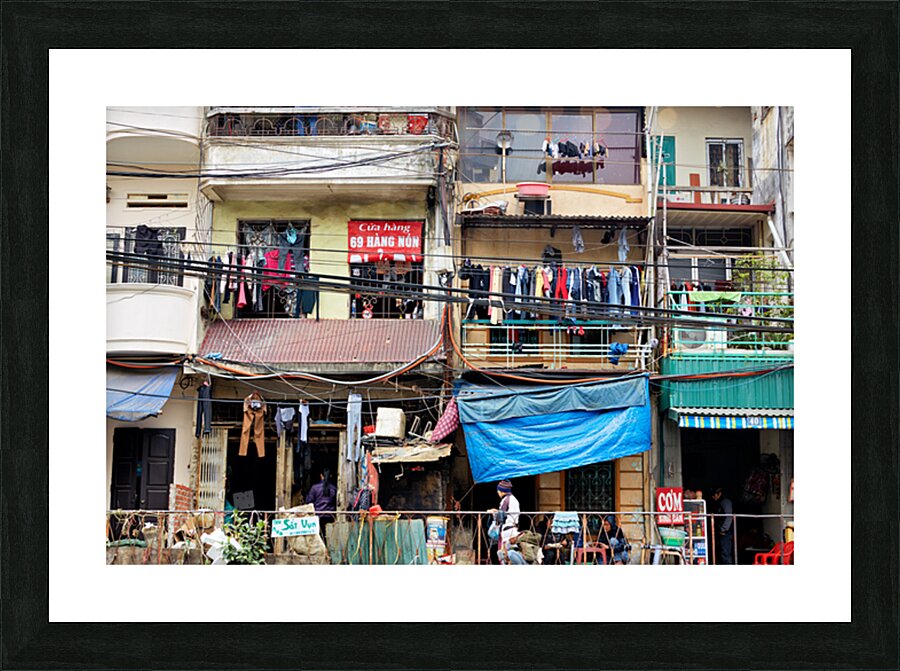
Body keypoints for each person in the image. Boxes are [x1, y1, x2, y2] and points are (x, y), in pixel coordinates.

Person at [487, 480, 520, 564]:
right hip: (513, 528)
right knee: (509, 553)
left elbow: (501, 517)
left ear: (502, 491)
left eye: (498, 490)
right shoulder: (513, 499)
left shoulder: (505, 500)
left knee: (504, 554)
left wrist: (493, 513)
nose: (497, 492)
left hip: (507, 530)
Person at [712, 487, 735, 564]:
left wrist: (724, 529)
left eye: (714, 495)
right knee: (722, 552)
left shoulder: (726, 502)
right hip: (721, 531)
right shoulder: (719, 503)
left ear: (719, 494)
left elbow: (729, 516)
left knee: (726, 552)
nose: (713, 497)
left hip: (726, 532)